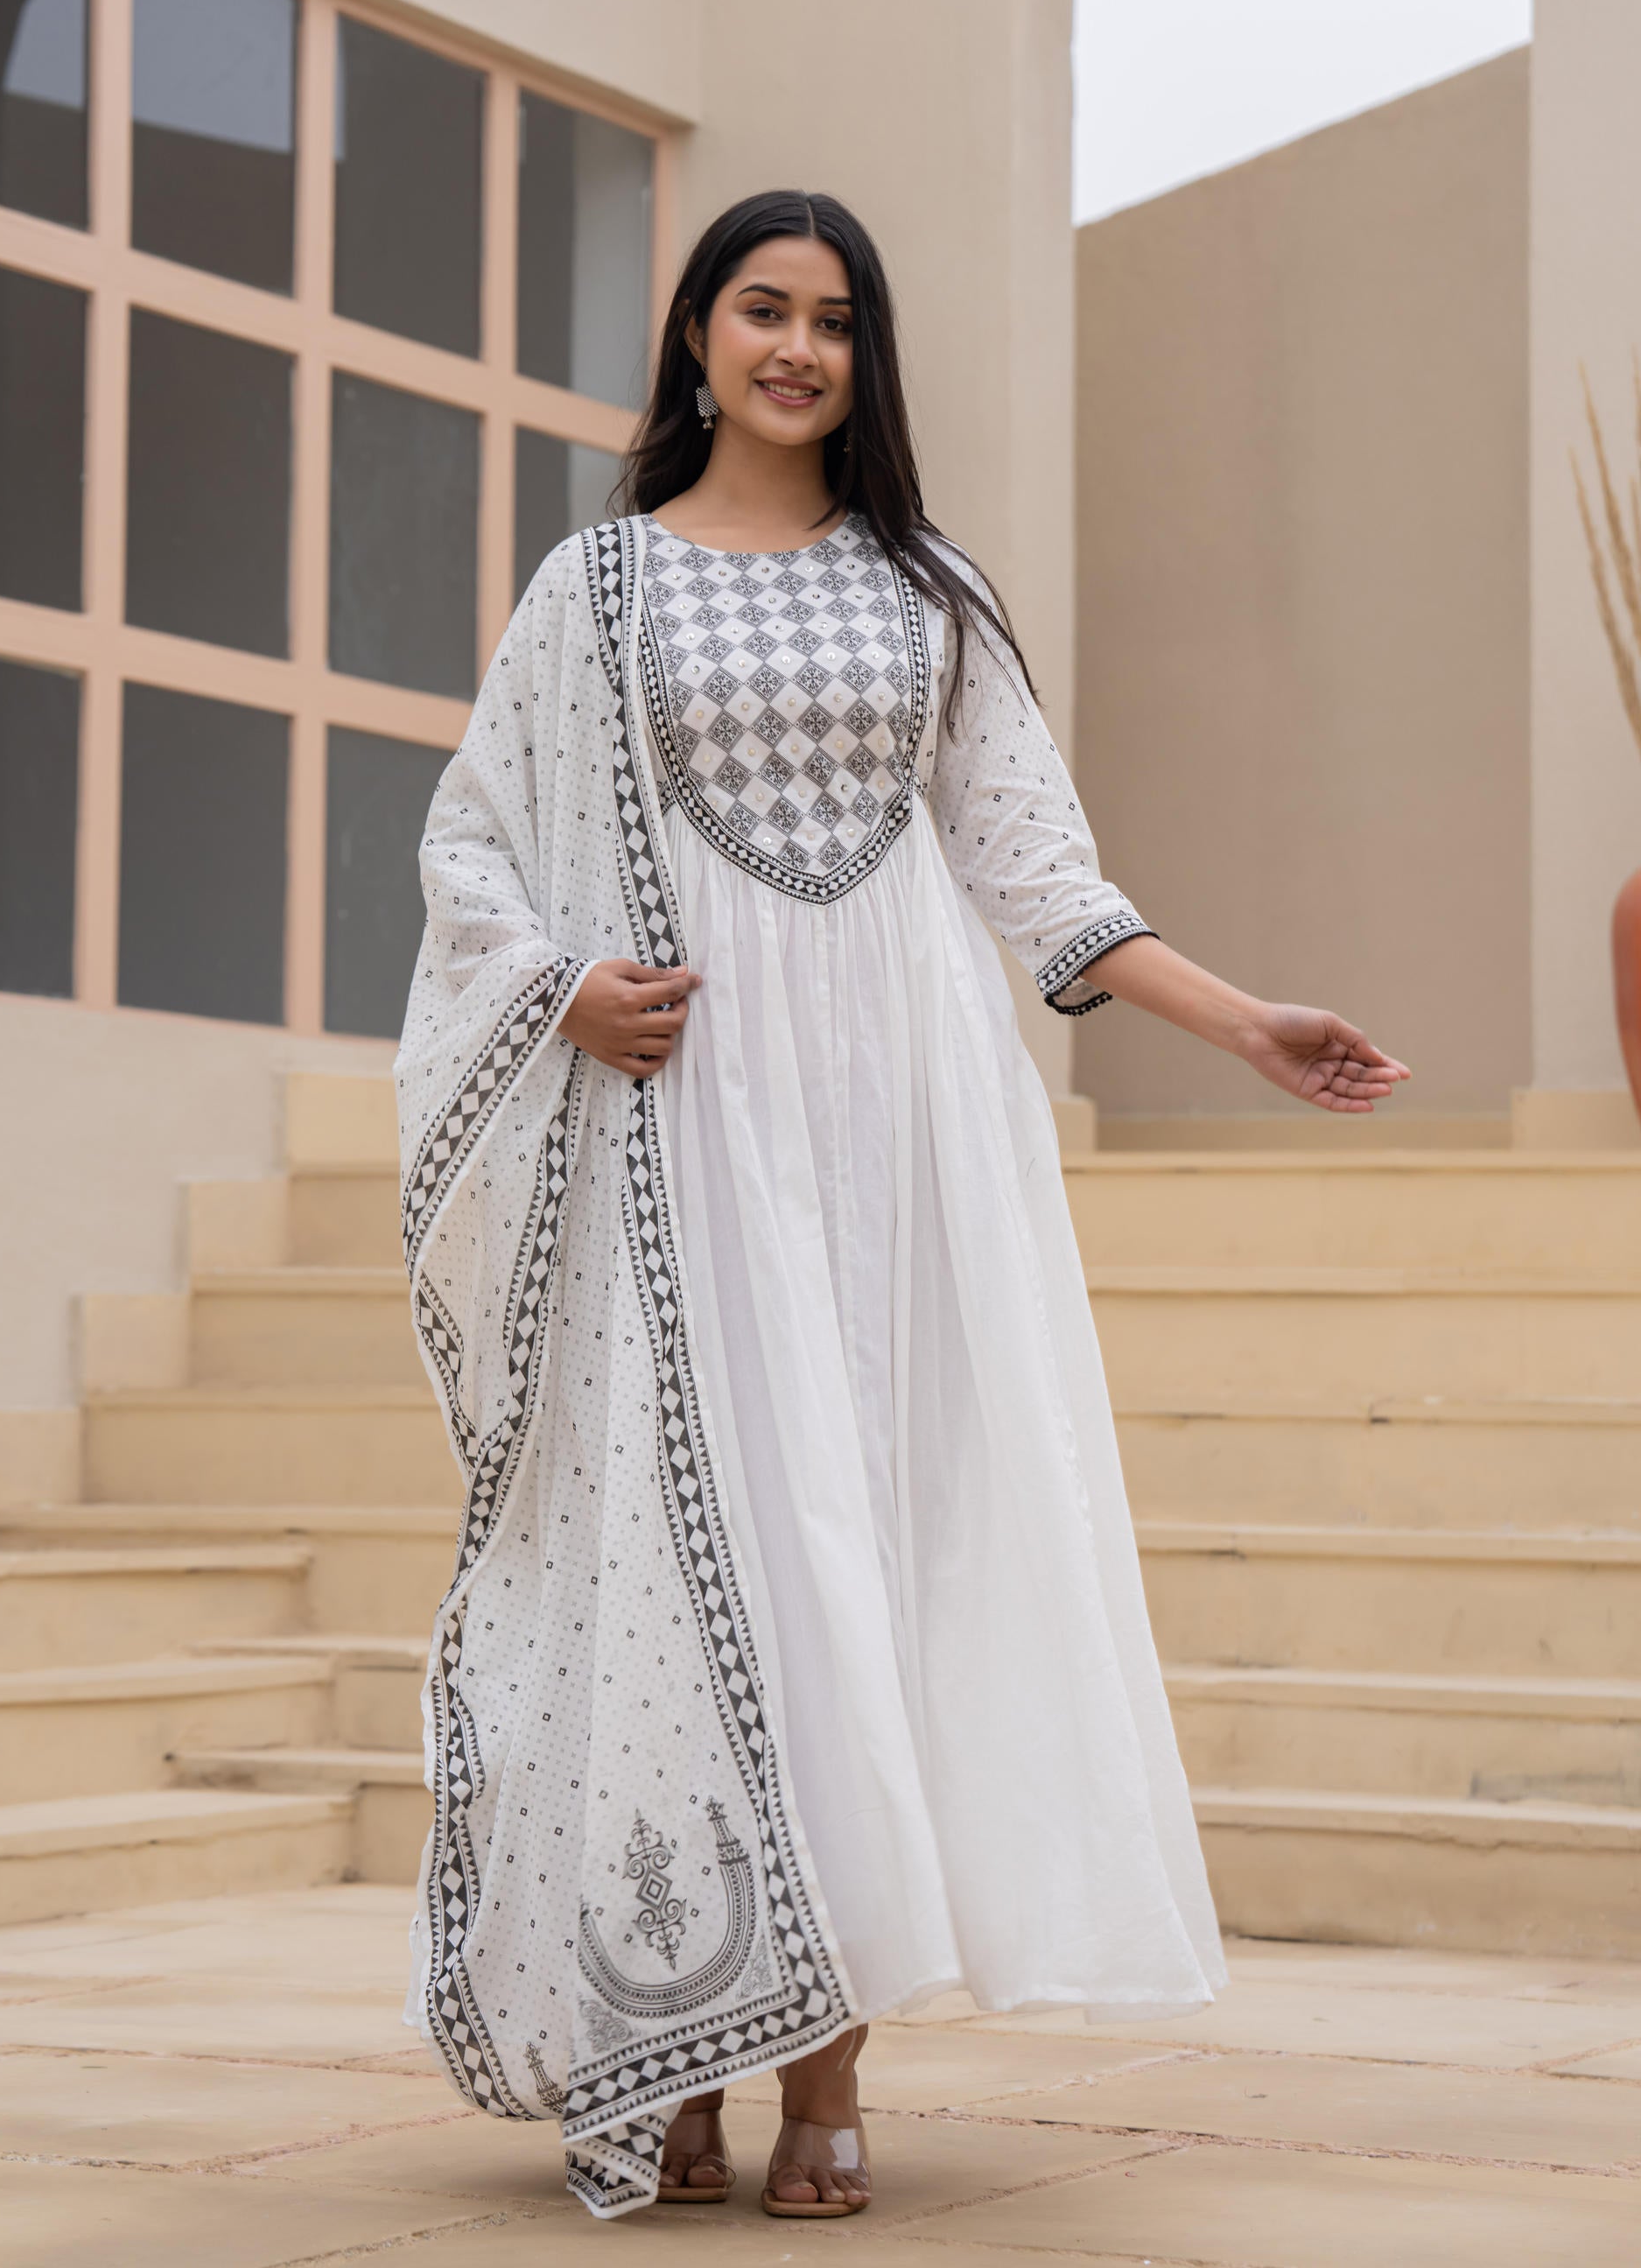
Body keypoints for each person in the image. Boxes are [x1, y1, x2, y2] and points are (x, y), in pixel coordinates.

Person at [394, 189, 1410, 2221]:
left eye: (834, 321)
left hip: (898, 1147)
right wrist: (563, 988)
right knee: (705, 1574)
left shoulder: (922, 588)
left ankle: (824, 2061)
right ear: (694, 338)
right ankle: (671, 2032)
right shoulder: (590, 588)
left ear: (864, 362)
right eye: (761, 311)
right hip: (677, 1140)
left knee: (870, 1549)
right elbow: (474, 843)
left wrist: (1243, 1025)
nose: (797, 348)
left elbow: (1038, 869)